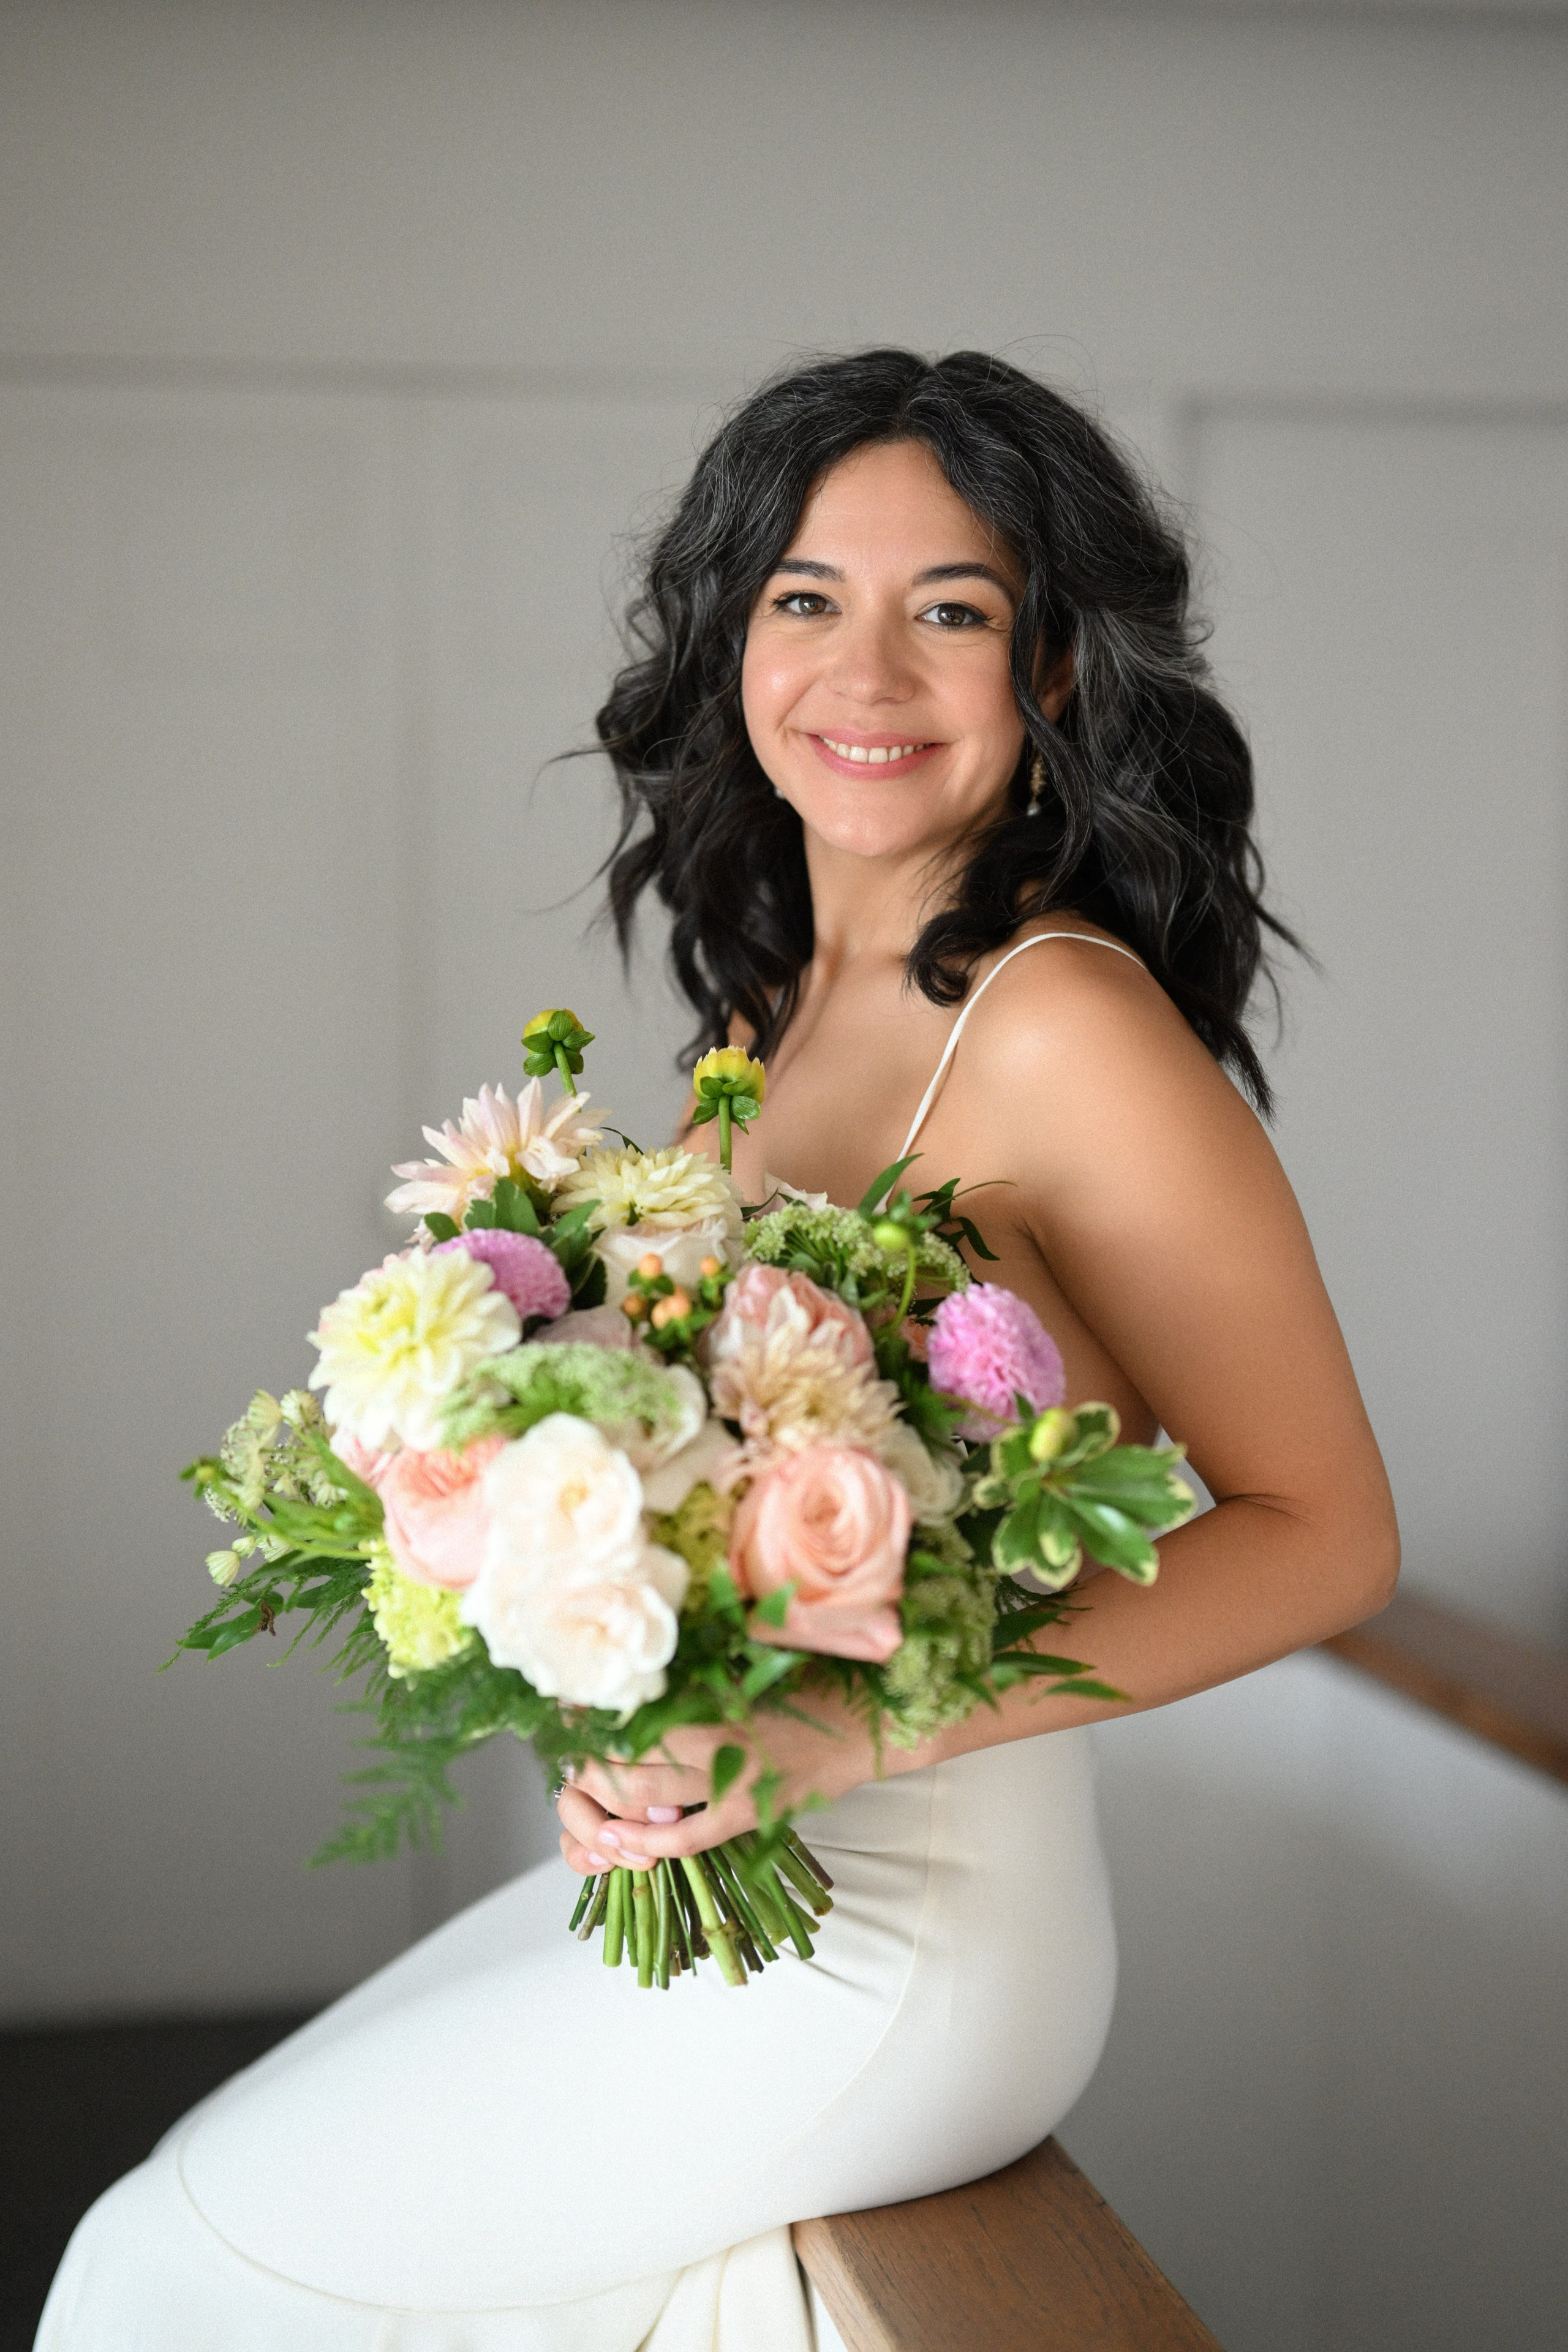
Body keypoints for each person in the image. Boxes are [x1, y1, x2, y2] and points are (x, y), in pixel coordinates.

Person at [37, 349, 1397, 2351]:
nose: (869, 672)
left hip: (909, 1929)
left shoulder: (1058, 1022)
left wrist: (830, 1734)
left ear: (1060, 675)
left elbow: (1327, 1534)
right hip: (744, 1860)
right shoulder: (778, 983)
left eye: (955, 611)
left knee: (145, 2275)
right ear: (729, 637)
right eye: (805, 600)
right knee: (205, 2189)